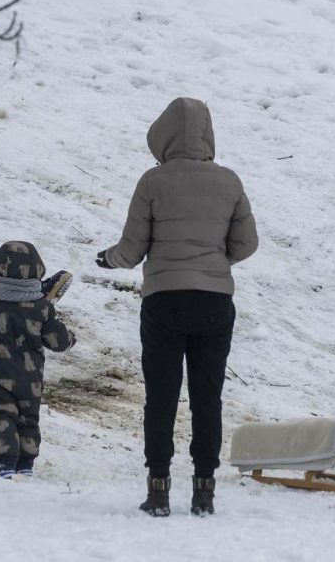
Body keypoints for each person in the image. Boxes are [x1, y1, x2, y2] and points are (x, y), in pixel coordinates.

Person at [95, 97, 258, 518]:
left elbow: (131, 251)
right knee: (208, 397)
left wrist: (108, 258)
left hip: (164, 301)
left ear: (164, 135)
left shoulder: (153, 181)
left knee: (161, 396)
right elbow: (247, 244)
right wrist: (213, 266)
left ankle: (159, 488)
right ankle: (204, 491)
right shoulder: (229, 182)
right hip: (214, 303)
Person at [0, 241, 76, 478]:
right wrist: (70, 338)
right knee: (28, 415)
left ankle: (4, 462)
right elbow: (57, 340)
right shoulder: (41, 306)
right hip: (30, 376)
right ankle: (26, 462)